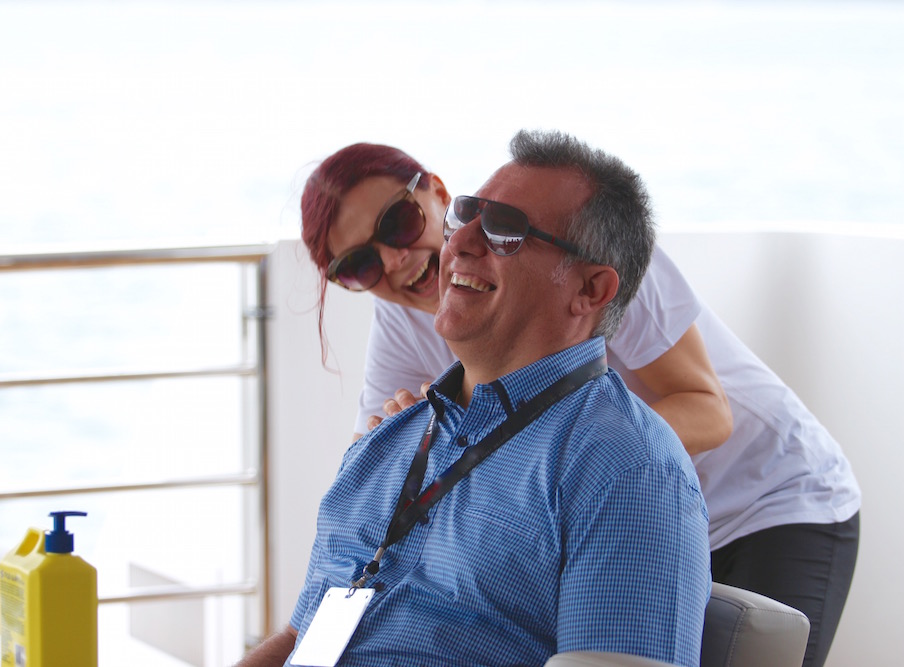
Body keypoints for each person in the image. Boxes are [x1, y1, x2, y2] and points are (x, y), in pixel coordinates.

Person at [297, 132, 861, 667]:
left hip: (769, 496)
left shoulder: (578, 259)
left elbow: (708, 409)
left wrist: (545, 467)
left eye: (398, 223)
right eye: (359, 266)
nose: (395, 261)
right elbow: (370, 470)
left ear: (438, 194)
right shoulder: (405, 318)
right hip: (593, 513)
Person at [241, 129, 711, 667]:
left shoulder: (626, 469)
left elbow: (700, 407)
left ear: (590, 290)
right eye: (467, 218)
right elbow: (305, 636)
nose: (458, 242)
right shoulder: (383, 449)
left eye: (506, 231)